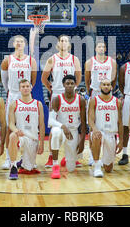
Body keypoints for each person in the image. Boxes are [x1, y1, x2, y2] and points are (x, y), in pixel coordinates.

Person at [41, 35, 82, 167]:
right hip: (57, 93)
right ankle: (51, 156)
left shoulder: (74, 59)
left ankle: (72, 156)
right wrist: (51, 88)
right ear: (58, 44)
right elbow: (44, 78)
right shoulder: (52, 59)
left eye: (66, 41)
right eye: (61, 41)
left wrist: (73, 88)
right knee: (54, 126)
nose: (63, 43)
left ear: (69, 44)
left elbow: (78, 77)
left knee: (72, 122)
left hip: (70, 94)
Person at [0, 35, 37, 169]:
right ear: (13, 43)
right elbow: (4, 80)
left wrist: (25, 91)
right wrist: (11, 91)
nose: (19, 43)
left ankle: (25, 157)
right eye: (17, 41)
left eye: (22, 41)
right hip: (13, 95)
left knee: (27, 125)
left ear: (25, 44)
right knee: (11, 128)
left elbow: (33, 80)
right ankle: (8, 158)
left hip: (26, 95)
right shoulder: (7, 60)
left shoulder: (31, 60)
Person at [48, 75, 86, 179]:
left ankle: (68, 158)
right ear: (63, 85)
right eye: (67, 83)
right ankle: (55, 165)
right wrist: (63, 126)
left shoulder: (81, 100)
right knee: (55, 132)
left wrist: (82, 141)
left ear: (75, 85)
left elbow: (83, 122)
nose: (69, 85)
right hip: (61, 130)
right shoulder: (57, 99)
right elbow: (50, 121)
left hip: (73, 131)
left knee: (71, 168)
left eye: (72, 83)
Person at [7, 79, 45, 180]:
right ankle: (13, 166)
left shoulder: (38, 104)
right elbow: (11, 123)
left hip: (33, 138)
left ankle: (23, 161)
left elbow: (41, 125)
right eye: (23, 87)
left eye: (27, 86)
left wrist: (42, 143)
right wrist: (16, 130)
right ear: (19, 89)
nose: (25, 88)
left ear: (31, 88)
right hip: (21, 135)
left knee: (28, 168)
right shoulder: (14, 104)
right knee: (12, 136)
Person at [88, 78, 123, 178]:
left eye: (108, 84)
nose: (106, 86)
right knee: (96, 136)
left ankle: (103, 160)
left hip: (111, 134)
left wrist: (121, 141)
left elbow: (120, 122)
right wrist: (94, 129)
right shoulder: (94, 100)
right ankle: (97, 166)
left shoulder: (117, 102)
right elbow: (90, 119)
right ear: (100, 86)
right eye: (104, 84)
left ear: (111, 87)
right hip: (99, 132)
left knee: (108, 169)